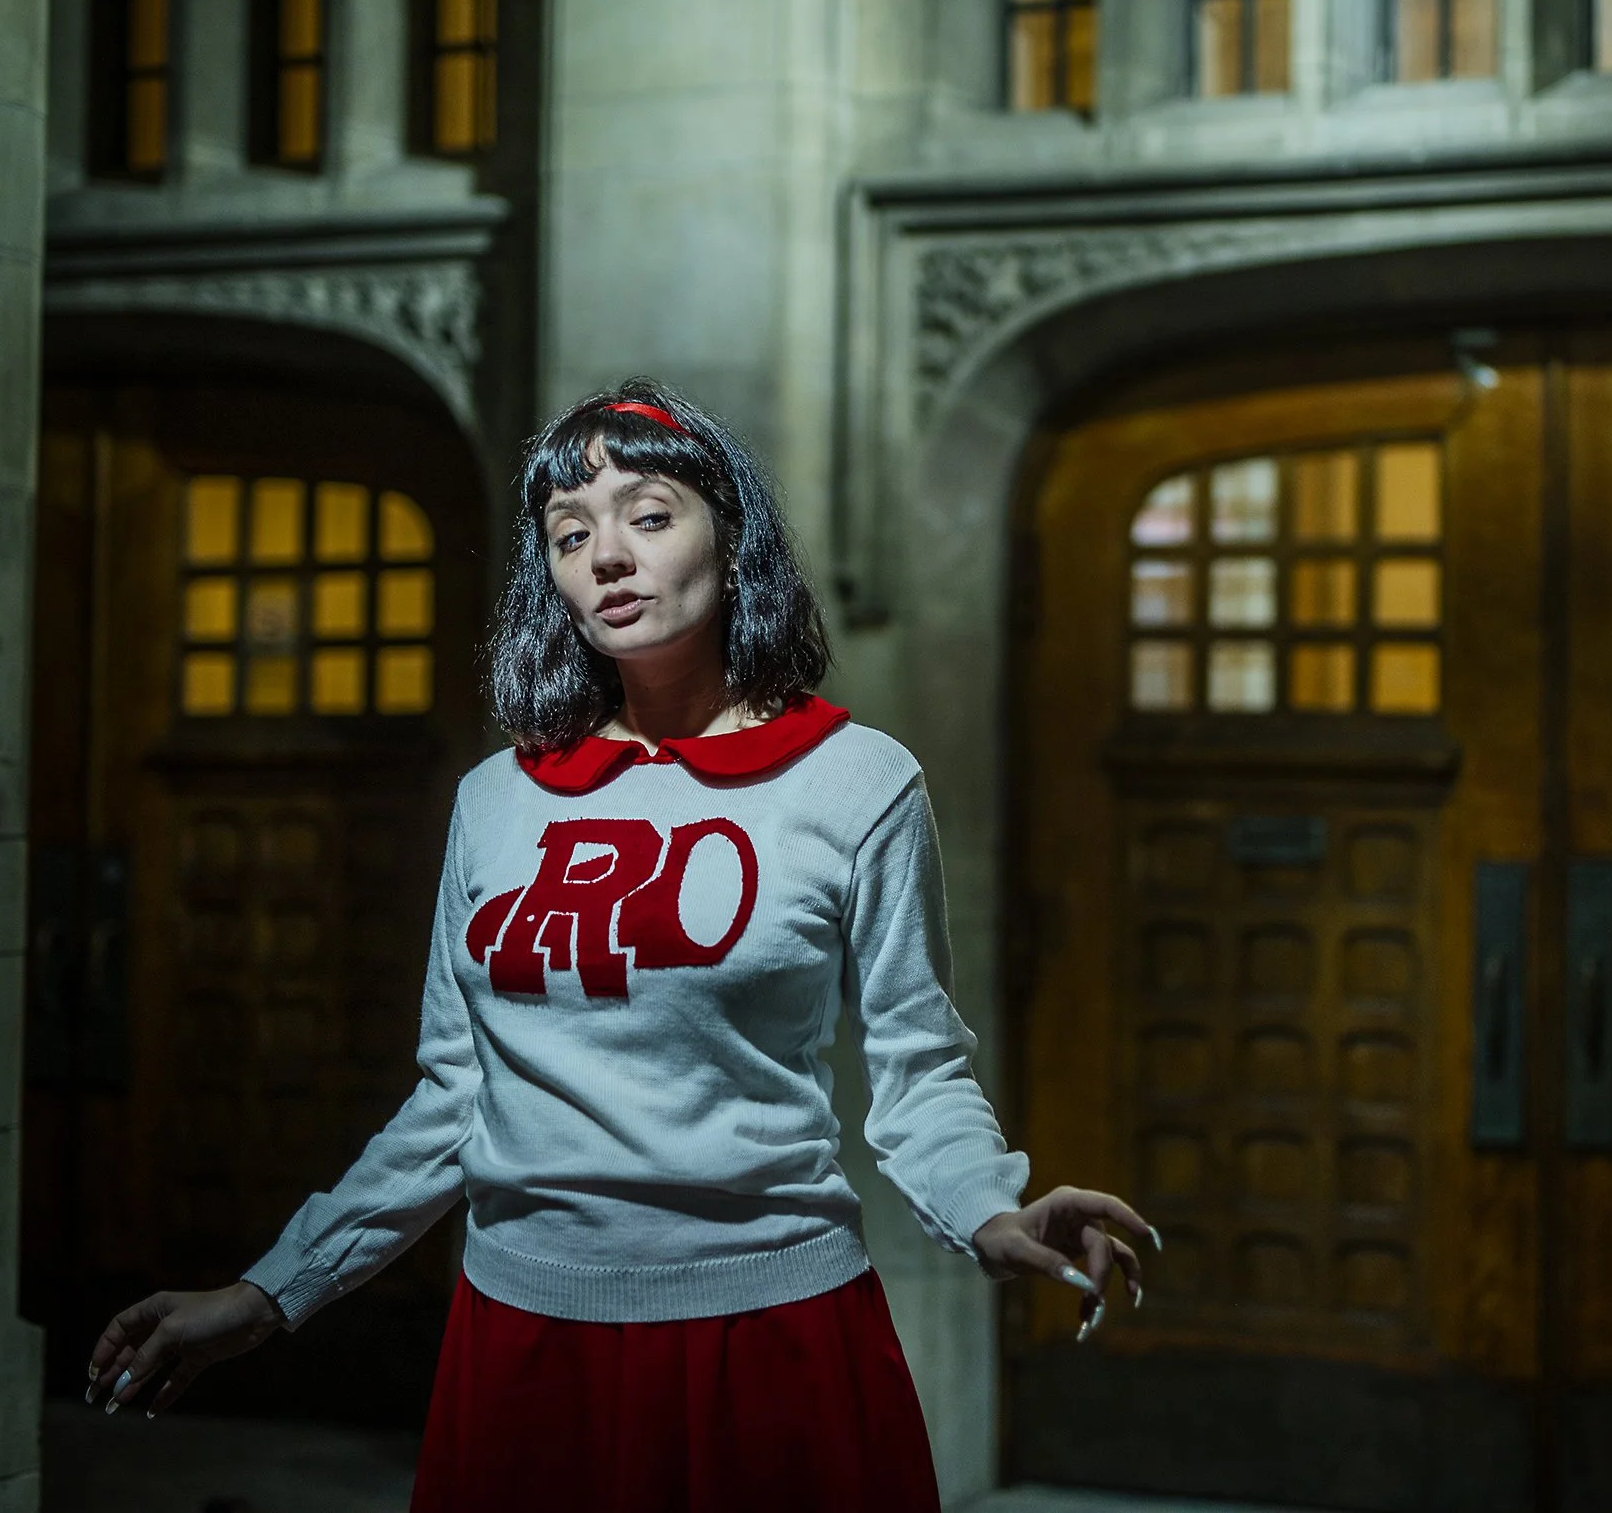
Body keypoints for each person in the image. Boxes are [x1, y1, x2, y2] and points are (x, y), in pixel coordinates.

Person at [80, 378, 1153, 1510]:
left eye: (649, 516)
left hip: (770, 1332)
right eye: (570, 534)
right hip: (524, 1339)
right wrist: (268, 1291)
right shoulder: (497, 798)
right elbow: (455, 1099)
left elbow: (917, 1065)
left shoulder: (856, 782)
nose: (607, 557)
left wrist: (989, 1209)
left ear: (732, 542)